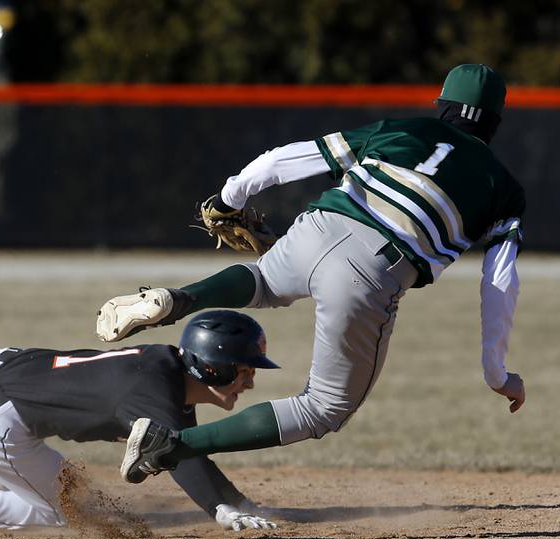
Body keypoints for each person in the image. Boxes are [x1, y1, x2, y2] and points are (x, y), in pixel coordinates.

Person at [95, 64, 527, 484]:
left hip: (322, 224)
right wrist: (496, 372)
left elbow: (285, 159)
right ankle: (169, 446)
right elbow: (499, 283)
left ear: (444, 104)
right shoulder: (504, 189)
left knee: (262, 280)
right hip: (375, 266)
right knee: (324, 407)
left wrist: (228, 198)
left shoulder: (404, 129)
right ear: (496, 121)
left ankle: (178, 298)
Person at [0, 311, 279, 531]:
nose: (250, 382)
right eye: (245, 370)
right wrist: (221, 510)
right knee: (72, 511)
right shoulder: (155, 392)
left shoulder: (164, 366)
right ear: (213, 368)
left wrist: (237, 501)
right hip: (2, 419)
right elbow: (178, 457)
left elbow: (185, 447)